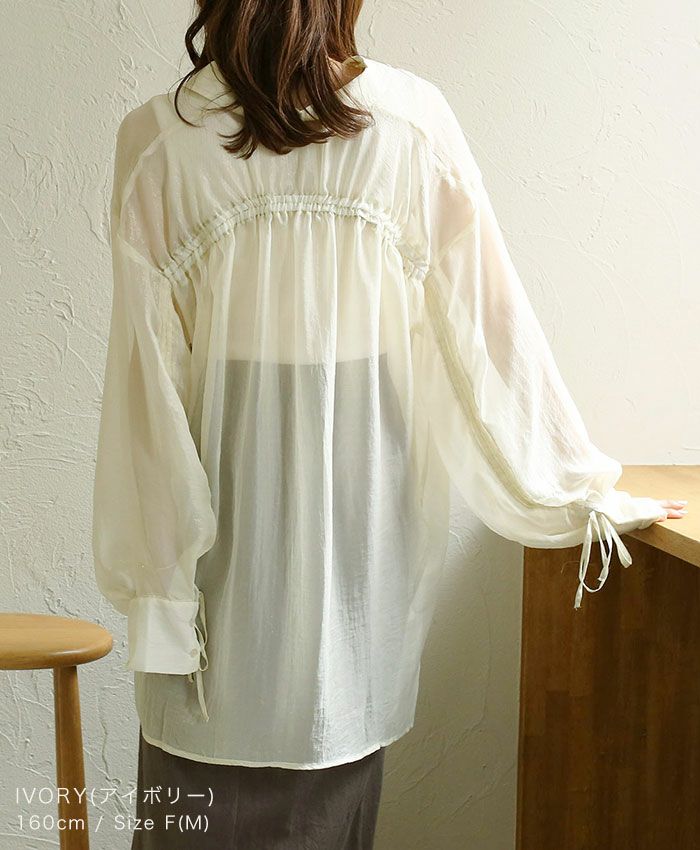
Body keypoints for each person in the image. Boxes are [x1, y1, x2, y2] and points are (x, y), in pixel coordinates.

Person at [91, 0, 688, 847]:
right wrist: (574, 489)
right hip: (354, 559)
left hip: (222, 583)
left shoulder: (162, 140)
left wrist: (159, 595)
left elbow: (144, 398)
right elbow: (491, 334)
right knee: (327, 809)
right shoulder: (408, 124)